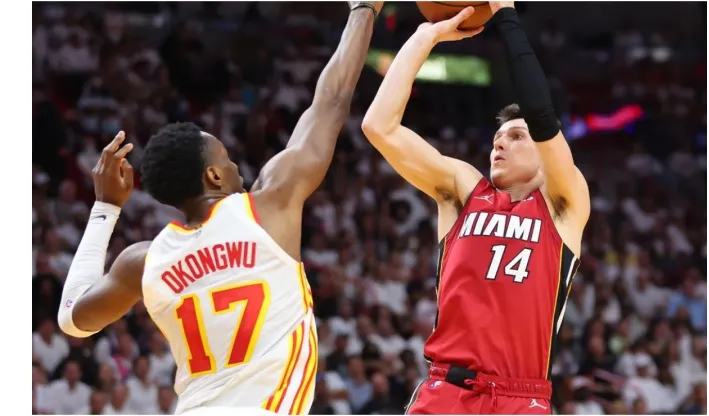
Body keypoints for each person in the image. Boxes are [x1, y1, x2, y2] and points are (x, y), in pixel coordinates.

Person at [56, 2, 382, 414]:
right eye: (226, 157)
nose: (236, 167)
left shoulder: (144, 261)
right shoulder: (269, 207)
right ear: (213, 176)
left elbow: (72, 319)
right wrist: (364, 9)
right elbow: (332, 100)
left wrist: (105, 208)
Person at [361, 3, 590, 414]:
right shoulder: (464, 190)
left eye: (516, 137)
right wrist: (425, 37)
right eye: (497, 138)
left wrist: (506, 14)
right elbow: (378, 127)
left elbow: (541, 114)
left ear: (545, 152)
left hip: (522, 398)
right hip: (446, 390)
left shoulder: (564, 205)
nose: (499, 144)